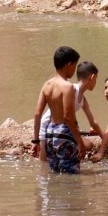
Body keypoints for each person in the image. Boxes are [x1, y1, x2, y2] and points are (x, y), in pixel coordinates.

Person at [32, 46, 88, 174]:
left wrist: (36, 141)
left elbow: (37, 114)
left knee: (55, 174)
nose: (74, 70)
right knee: (71, 177)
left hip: (50, 133)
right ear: (69, 65)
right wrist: (80, 142)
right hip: (65, 134)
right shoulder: (67, 87)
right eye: (75, 66)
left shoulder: (47, 85)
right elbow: (68, 117)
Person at [73, 61, 107, 160]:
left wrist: (104, 139)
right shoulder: (71, 90)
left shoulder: (82, 98)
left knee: (89, 145)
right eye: (96, 79)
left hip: (66, 128)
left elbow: (93, 121)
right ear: (92, 77)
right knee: (84, 146)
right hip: (56, 128)